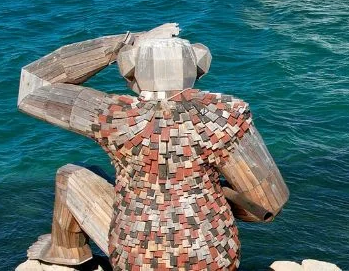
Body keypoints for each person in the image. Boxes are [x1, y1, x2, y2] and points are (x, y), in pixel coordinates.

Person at [17, 24, 289, 271]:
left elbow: (33, 87)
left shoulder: (112, 116)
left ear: (130, 71)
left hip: (137, 260)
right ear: (198, 68)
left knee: (71, 175)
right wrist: (218, 209)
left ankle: (67, 251)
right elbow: (268, 204)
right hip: (213, 258)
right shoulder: (227, 114)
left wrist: (126, 41)